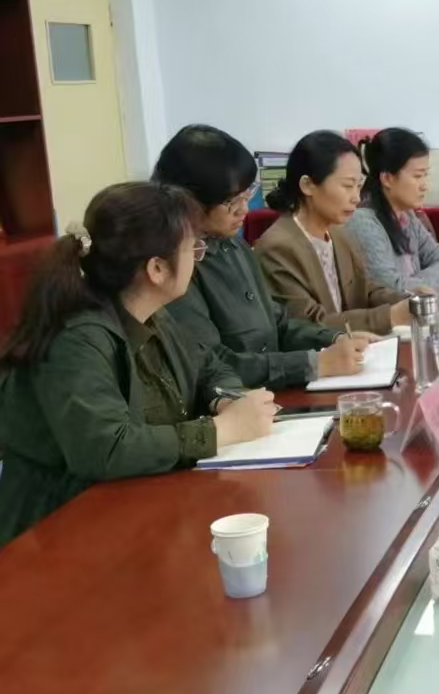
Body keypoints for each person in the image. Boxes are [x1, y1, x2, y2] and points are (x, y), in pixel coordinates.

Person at [0, 182, 278, 546]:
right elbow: (107, 449)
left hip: (134, 509)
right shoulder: (77, 338)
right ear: (157, 268)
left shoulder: (151, 313)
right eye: (193, 248)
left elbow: (208, 366)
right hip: (57, 534)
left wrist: (225, 400)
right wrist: (220, 430)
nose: (198, 259)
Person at [153, 124, 368, 390]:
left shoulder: (234, 245)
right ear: (190, 201)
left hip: (274, 393)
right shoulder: (176, 264)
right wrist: (314, 363)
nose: (244, 209)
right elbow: (210, 365)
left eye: (248, 194)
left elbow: (278, 322)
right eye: (231, 201)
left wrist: (333, 339)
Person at [255, 130, 411, 334]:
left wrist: (407, 300)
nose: (356, 198)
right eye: (347, 186)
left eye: (359, 186)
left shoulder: (339, 234)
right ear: (307, 185)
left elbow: (366, 290)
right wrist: (390, 316)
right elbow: (309, 325)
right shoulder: (277, 248)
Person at [345, 127, 439, 296]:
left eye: (425, 175)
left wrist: (412, 282)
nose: (424, 185)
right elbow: (390, 289)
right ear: (387, 178)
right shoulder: (363, 222)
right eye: (417, 176)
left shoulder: (407, 216)